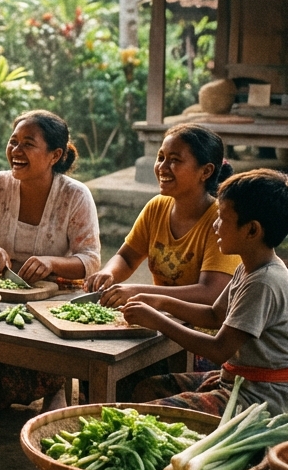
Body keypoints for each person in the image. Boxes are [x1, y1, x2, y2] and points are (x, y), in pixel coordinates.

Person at [0, 110, 101, 421]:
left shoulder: (75, 195)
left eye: (28, 144)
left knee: (47, 326)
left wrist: (51, 263)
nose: (16, 151)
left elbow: (90, 260)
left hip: (59, 290)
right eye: (13, 142)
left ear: (54, 155)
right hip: (6, 286)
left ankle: (55, 391)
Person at [123, 169, 288, 416]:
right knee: (147, 388)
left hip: (258, 396)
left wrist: (157, 320)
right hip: (236, 379)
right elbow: (214, 315)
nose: (215, 225)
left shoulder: (264, 282)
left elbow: (218, 350)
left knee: (153, 414)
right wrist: (161, 301)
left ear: (252, 230)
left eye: (222, 218)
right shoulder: (248, 267)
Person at [83, 123, 238, 307]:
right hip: (160, 317)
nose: (162, 167)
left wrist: (139, 292)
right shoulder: (157, 207)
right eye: (161, 157)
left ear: (206, 171)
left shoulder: (221, 220)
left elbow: (210, 293)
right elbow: (127, 258)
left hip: (202, 324)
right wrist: (108, 273)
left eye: (174, 160)